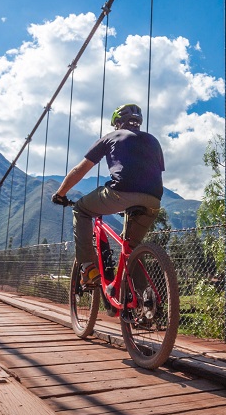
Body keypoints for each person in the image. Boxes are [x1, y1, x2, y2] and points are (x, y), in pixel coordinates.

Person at [51, 103, 164, 285]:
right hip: (153, 199)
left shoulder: (111, 137)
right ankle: (144, 301)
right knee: (132, 249)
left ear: (118, 122)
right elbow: (155, 171)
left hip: (120, 193)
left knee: (81, 209)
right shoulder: (153, 141)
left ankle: (88, 268)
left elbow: (81, 169)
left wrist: (60, 193)